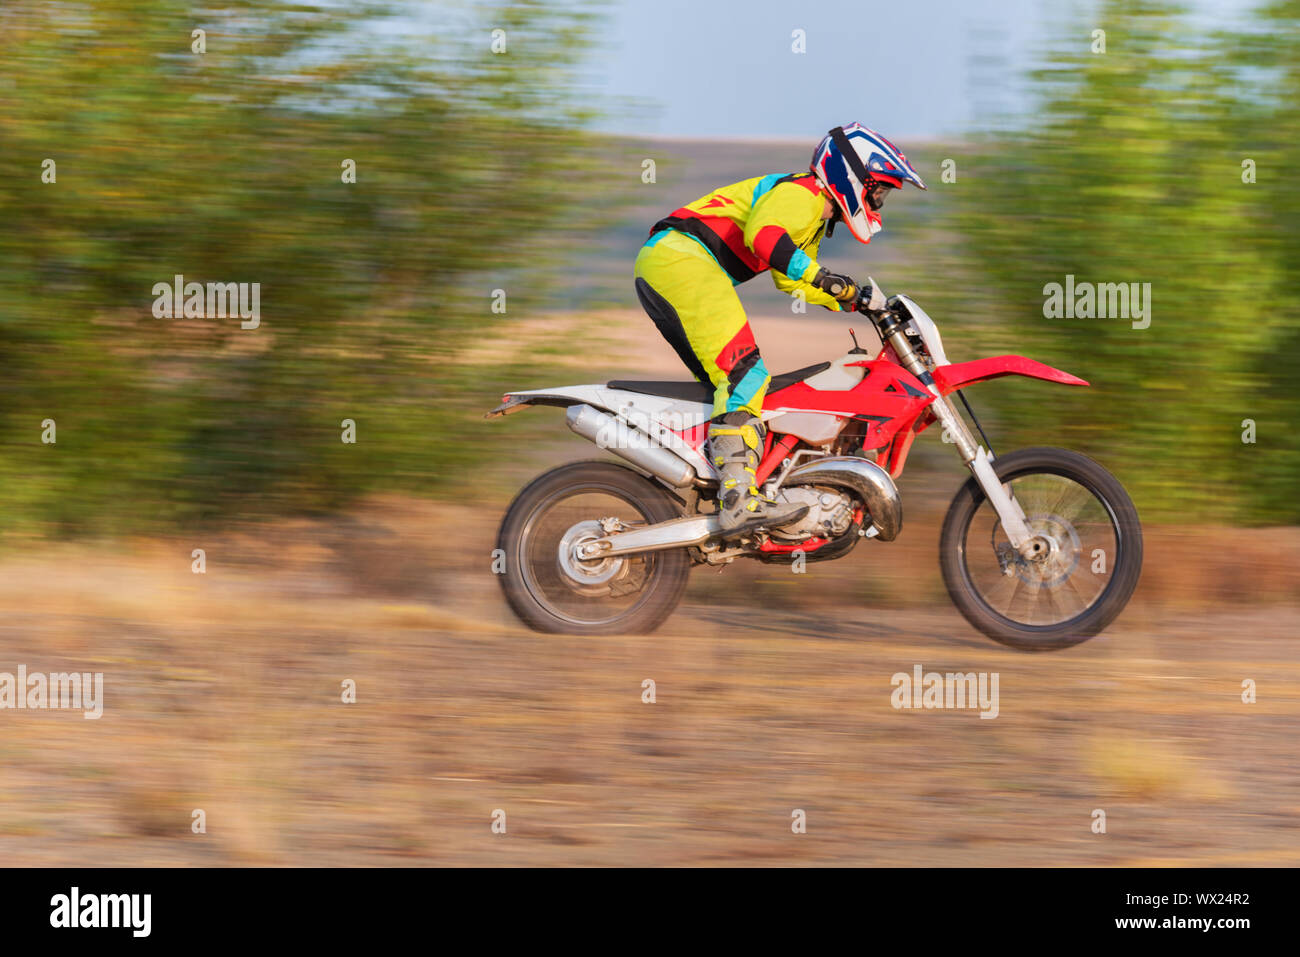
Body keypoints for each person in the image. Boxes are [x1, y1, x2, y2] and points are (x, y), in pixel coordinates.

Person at [633, 124, 927, 537]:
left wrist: (853, 300)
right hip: (681, 261)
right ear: (851, 176)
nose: (880, 200)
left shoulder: (812, 217)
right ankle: (739, 500)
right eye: (879, 189)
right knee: (746, 376)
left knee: (726, 387)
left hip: (669, 265)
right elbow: (764, 239)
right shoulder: (803, 193)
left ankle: (715, 484)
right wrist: (826, 279)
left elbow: (790, 281)